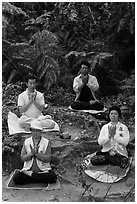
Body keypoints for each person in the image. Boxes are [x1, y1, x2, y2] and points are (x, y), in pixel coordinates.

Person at [13, 119, 57, 185]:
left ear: (41, 132)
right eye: (33, 130)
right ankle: (36, 178)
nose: (35, 133)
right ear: (31, 131)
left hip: (43, 171)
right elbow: (22, 158)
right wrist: (31, 154)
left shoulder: (46, 142)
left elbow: (48, 158)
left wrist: (37, 154)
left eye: (37, 131)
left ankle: (32, 176)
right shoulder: (27, 141)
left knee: (52, 177)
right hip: (28, 170)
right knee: (16, 178)